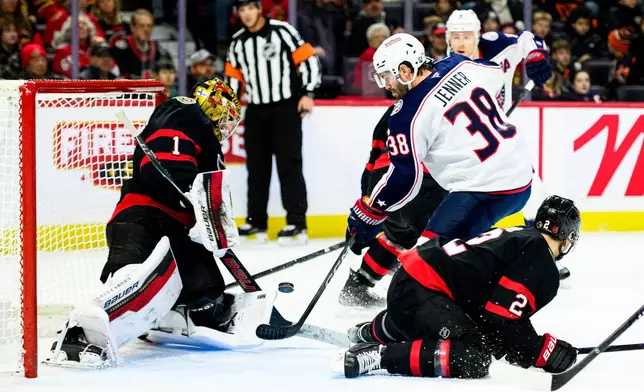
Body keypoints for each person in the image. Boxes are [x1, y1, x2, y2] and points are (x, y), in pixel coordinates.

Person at [46, 79, 261, 367]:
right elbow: (167, 158)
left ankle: (160, 311)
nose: (225, 126)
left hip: (161, 225)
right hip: (151, 220)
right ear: (211, 105)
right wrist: (192, 192)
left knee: (201, 298)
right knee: (142, 281)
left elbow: (210, 193)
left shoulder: (207, 143)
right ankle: (81, 331)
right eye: (223, 117)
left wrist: (208, 217)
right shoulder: (184, 111)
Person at [346, 33, 533, 281]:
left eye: (387, 77)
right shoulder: (459, 63)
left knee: (426, 262)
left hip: (485, 187)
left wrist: (370, 213)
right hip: (522, 174)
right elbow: (494, 70)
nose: (386, 85)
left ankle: (481, 300)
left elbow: (405, 179)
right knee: (446, 254)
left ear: (405, 70)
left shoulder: (408, 114)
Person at [342, 196, 581, 380]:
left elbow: (494, 316)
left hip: (410, 283)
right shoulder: (540, 260)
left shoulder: (520, 233)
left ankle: (373, 331)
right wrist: (541, 351)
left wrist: (530, 346)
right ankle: (378, 356)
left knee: (465, 322)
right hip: (422, 293)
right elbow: (500, 321)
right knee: (474, 356)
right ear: (568, 238)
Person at [225, 0, 321, 245]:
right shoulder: (237, 41)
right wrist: (230, 110)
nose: (246, 14)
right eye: (242, 10)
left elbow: (308, 60)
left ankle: (297, 224)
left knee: (289, 166)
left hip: (285, 108)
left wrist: (308, 94)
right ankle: (257, 223)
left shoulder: (282, 31)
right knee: (256, 169)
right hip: (255, 110)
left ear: (259, 9)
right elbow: (234, 78)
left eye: (250, 8)